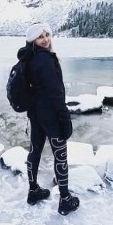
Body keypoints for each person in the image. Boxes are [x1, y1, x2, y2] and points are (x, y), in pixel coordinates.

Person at [17, 22, 80, 215]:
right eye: (40, 36)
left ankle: (33, 190)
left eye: (47, 35)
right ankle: (65, 199)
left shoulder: (28, 57)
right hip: (50, 115)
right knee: (60, 155)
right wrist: (65, 119)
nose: (45, 39)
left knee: (35, 151)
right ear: (33, 40)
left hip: (35, 113)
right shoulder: (45, 59)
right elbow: (55, 93)